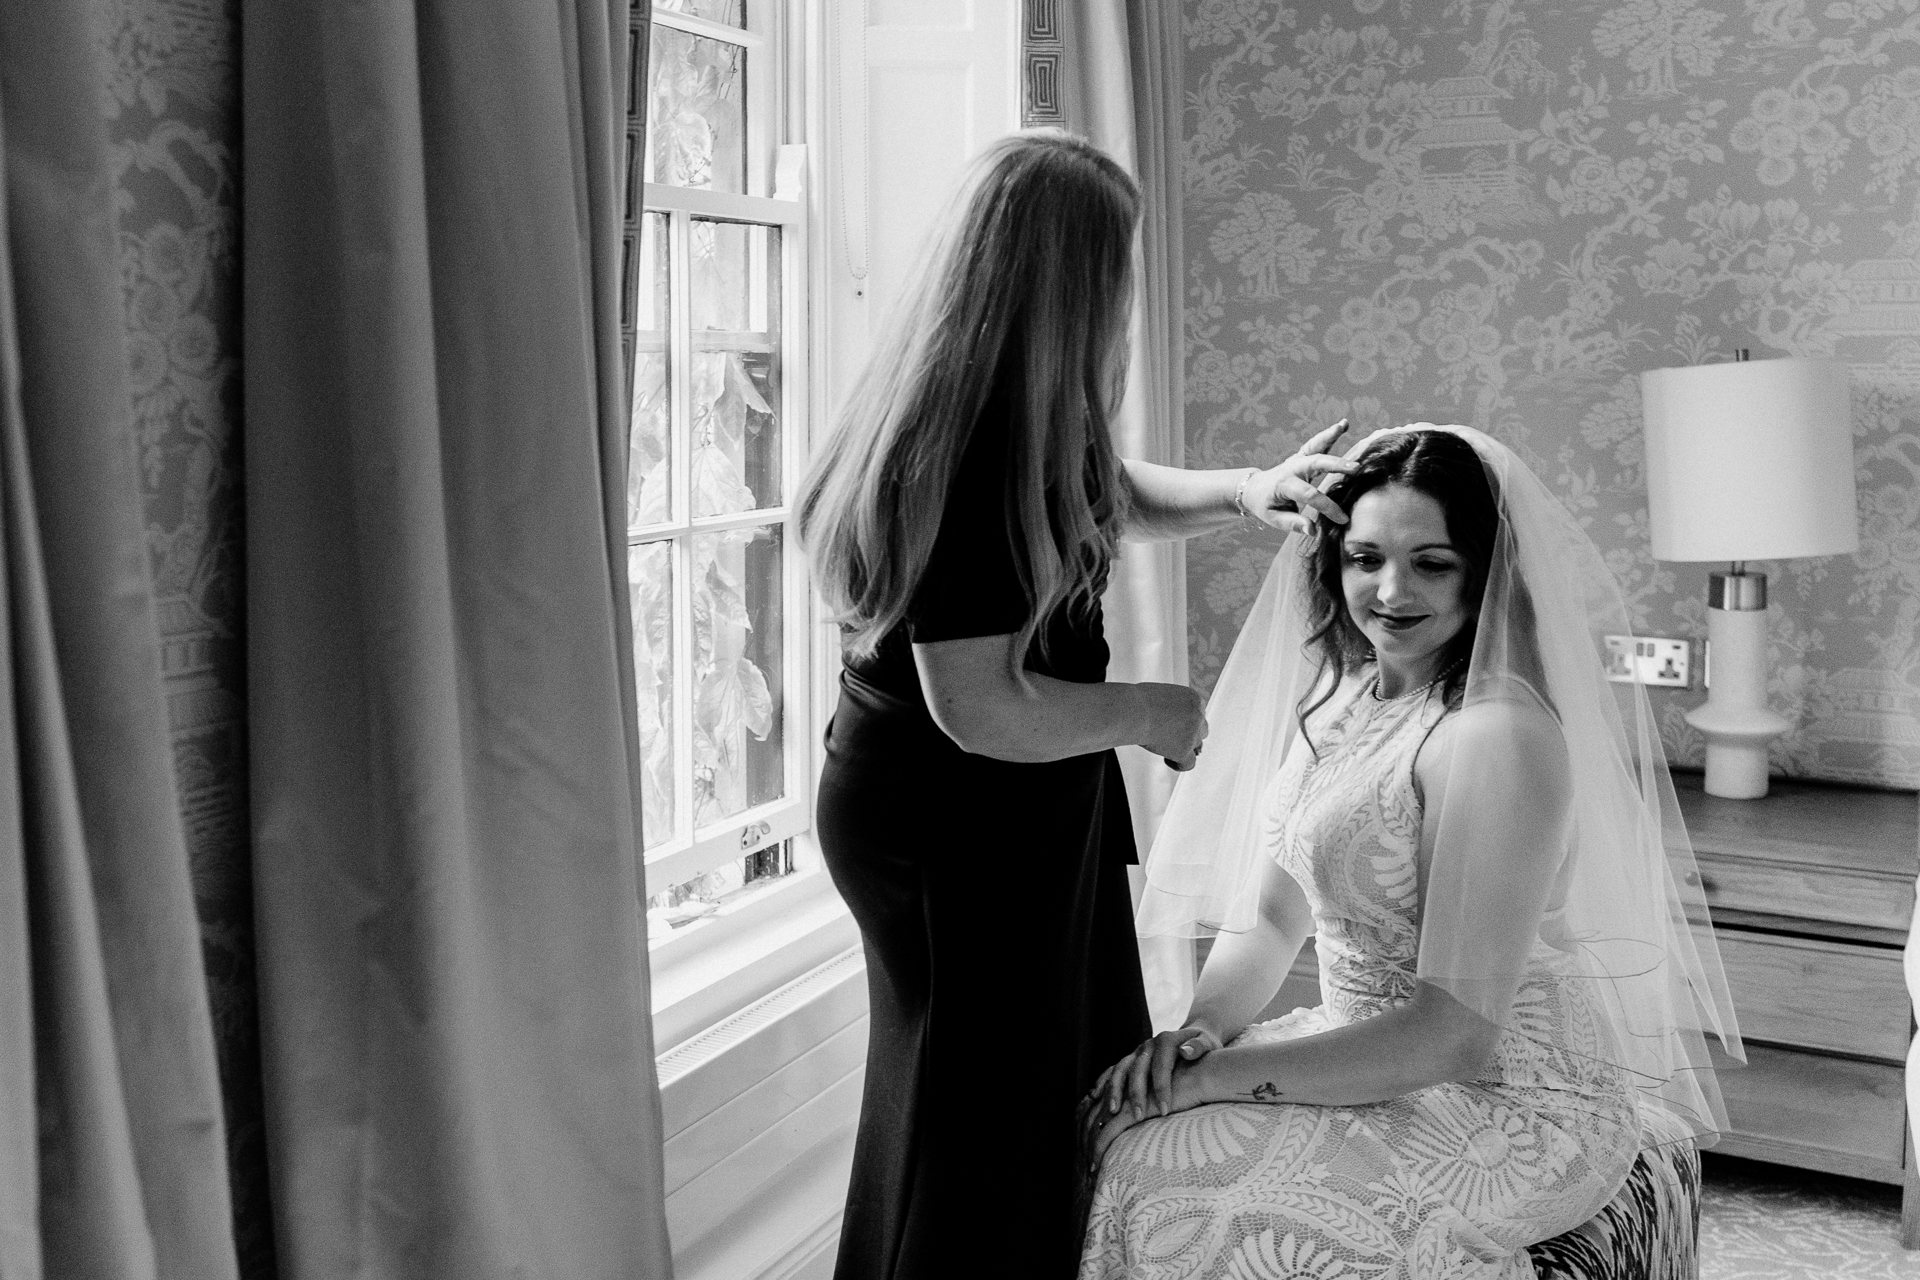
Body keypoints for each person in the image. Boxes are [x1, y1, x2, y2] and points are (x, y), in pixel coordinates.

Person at [796, 129, 1356, 1280]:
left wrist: (1248, 492)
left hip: (990, 794)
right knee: (978, 1105)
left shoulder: (1011, 407)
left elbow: (1111, 487)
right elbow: (981, 706)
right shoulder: (965, 452)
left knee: (1019, 1079)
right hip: (957, 815)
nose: (1126, 302)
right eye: (1116, 272)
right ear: (1069, 285)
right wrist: (1157, 710)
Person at [1076, 426, 1744, 1280]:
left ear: (1484, 569)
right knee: (1120, 1143)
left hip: (1510, 1098)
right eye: (1364, 558)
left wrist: (1217, 1082)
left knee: (1189, 1188)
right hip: (1368, 1045)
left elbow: (1454, 1036)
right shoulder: (1348, 696)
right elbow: (1272, 920)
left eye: (1432, 563)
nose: (1390, 592)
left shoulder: (1495, 737)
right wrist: (1202, 1035)